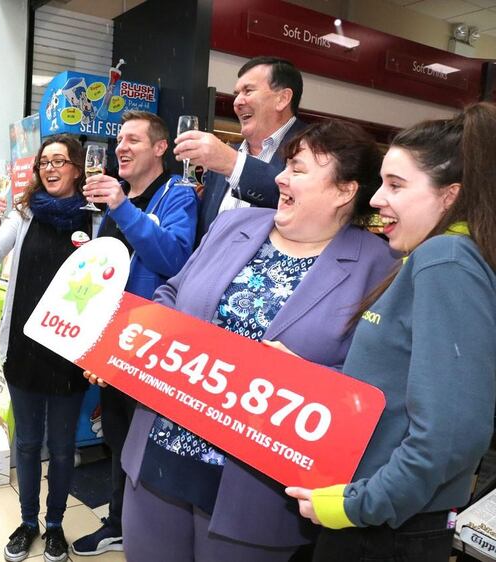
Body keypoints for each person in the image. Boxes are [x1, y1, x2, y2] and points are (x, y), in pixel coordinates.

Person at [119, 120, 398, 561]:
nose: (281, 178)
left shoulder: (379, 267)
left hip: (255, 492)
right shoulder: (234, 225)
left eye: (299, 169)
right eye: (286, 165)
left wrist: (307, 380)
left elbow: (378, 383)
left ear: (345, 191)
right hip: (160, 449)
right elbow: (172, 292)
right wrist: (134, 341)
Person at [286, 104, 496, 562]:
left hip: (387, 527)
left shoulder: (447, 259)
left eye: (396, 185)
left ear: (450, 195)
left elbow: (451, 433)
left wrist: (356, 505)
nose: (378, 199)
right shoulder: (432, 258)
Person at [72, 111, 198, 556]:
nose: (120, 147)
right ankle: (120, 521)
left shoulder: (177, 194)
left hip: (149, 342)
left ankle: (141, 526)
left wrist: (122, 209)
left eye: (133, 140)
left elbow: (175, 259)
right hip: (110, 338)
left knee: (141, 440)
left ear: (161, 147)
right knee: (117, 435)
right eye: (118, 140)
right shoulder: (116, 197)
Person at [0, 134, 93, 562]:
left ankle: (56, 525)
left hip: (68, 354)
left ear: (78, 169)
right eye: (45, 161)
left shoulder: (93, 217)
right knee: (26, 443)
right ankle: (28, 523)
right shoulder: (23, 213)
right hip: (24, 348)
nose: (50, 168)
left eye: (60, 161)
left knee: (61, 448)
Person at [173, 56, 307, 241]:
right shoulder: (226, 156)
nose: (237, 102)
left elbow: (306, 207)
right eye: (237, 94)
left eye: (248, 91)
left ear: (282, 99)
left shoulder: (317, 147)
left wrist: (234, 165)